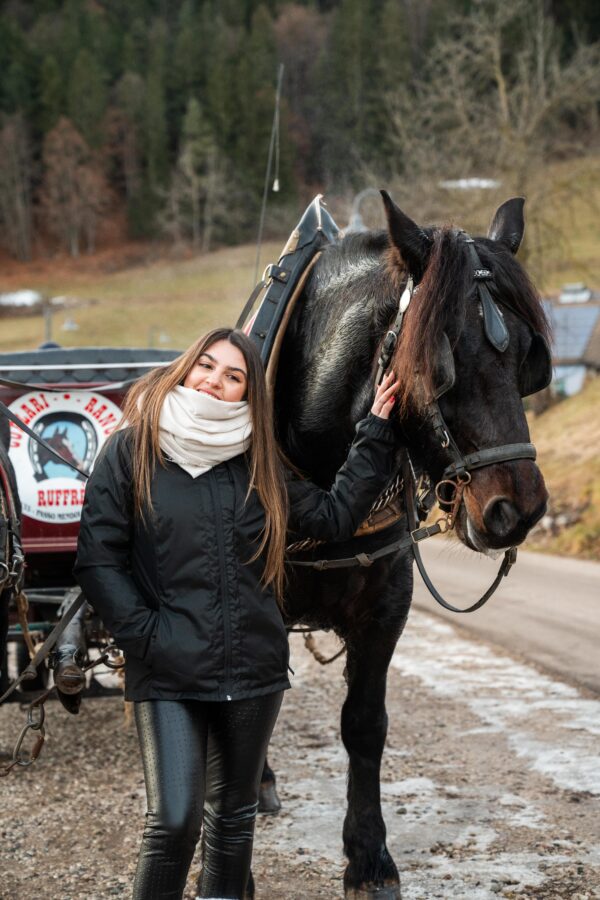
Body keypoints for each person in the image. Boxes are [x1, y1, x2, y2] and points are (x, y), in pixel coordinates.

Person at [74, 327, 398, 900]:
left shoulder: (259, 463)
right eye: (206, 366)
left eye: (234, 377)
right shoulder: (130, 451)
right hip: (168, 670)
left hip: (253, 674)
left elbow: (334, 515)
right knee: (174, 821)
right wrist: (148, 638)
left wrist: (374, 430)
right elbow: (99, 561)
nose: (215, 382)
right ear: (184, 368)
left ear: (248, 397)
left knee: (231, 824)